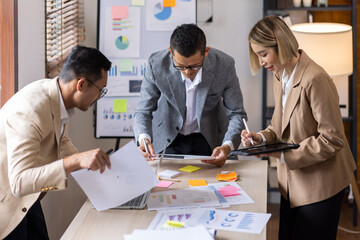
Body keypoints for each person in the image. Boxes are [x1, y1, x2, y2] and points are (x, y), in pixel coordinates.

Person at [243, 16, 357, 240]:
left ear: (281, 44)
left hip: (320, 186)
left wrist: (283, 154)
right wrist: (262, 139)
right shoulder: (280, 75)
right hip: (292, 185)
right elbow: (279, 126)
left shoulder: (316, 79)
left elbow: (332, 139)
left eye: (263, 54)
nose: (262, 62)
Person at [0, 46, 112, 239]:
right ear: (82, 84)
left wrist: (104, 164)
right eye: (100, 90)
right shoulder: (30, 111)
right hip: (7, 201)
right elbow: (19, 182)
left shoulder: (57, 95)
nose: (99, 98)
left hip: (29, 196)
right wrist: (76, 161)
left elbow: (62, 142)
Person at [134, 23, 247, 167]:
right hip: (167, 138)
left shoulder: (224, 66)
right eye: (180, 66)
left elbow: (237, 113)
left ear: (205, 52)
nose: (187, 72)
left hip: (209, 139)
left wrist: (227, 146)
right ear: (171, 52)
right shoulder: (156, 64)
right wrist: (144, 138)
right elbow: (143, 111)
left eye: (194, 66)